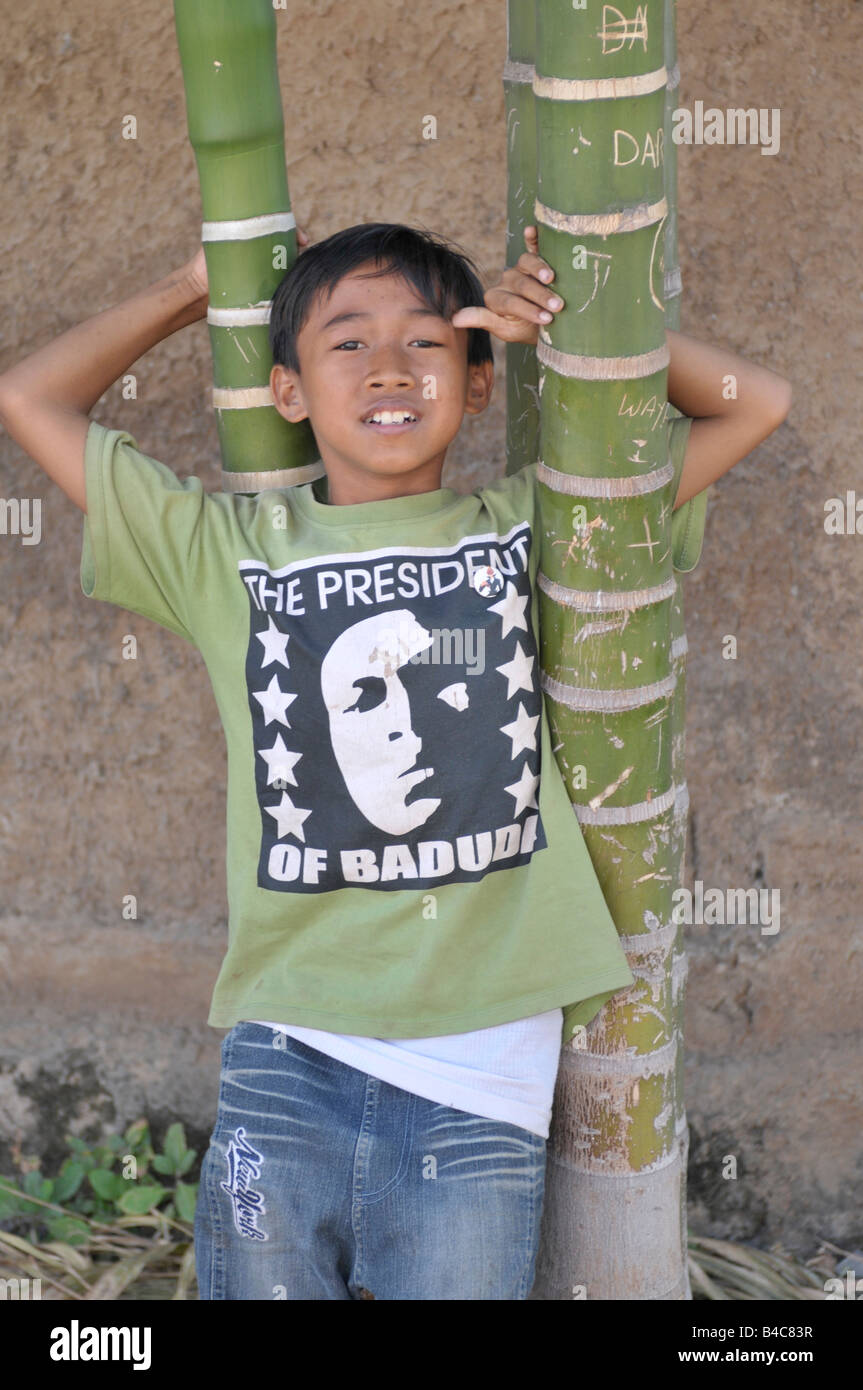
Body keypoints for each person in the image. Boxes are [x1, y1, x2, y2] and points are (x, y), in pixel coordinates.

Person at [0, 220, 792, 1300]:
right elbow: (31, 398)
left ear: (476, 386)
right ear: (287, 391)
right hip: (289, 1051)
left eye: (426, 344)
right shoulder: (227, 550)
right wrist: (195, 288)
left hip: (480, 1075)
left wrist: (561, 329)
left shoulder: (540, 527)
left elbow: (752, 401)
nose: (386, 368)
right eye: (345, 344)